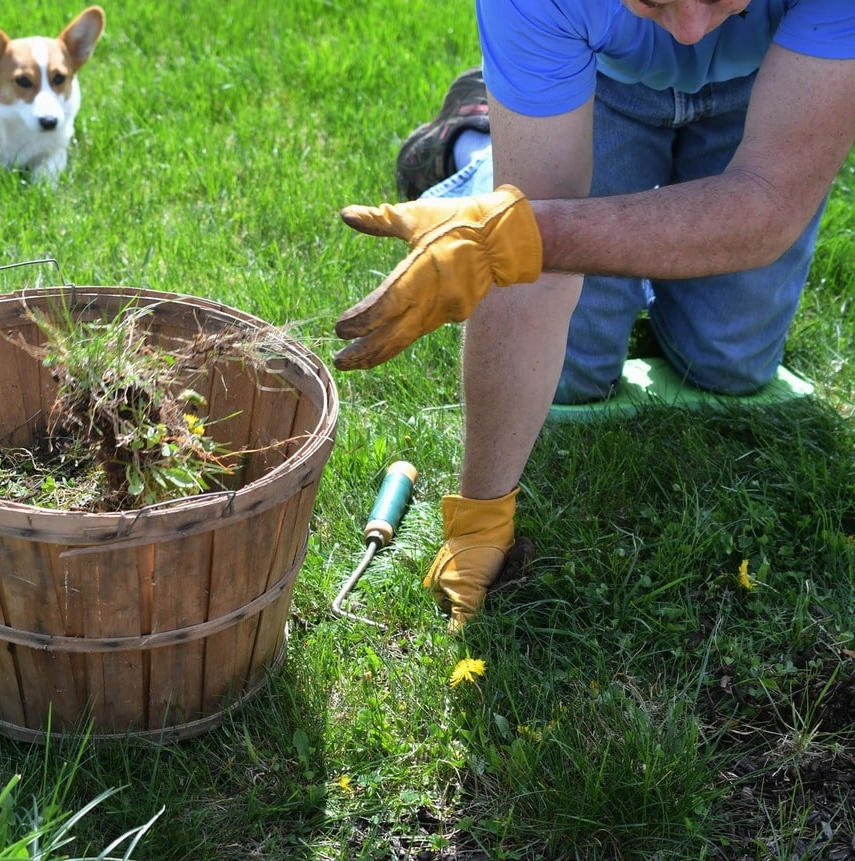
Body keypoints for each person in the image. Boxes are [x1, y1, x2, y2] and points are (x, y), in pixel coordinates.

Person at [333, 0, 855, 631]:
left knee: (729, 364)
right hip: (601, 77)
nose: (691, 28)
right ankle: (476, 140)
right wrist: (479, 517)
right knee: (573, 376)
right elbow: (531, 268)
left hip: (773, 81)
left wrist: (521, 233)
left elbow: (767, 207)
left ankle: (505, 181)